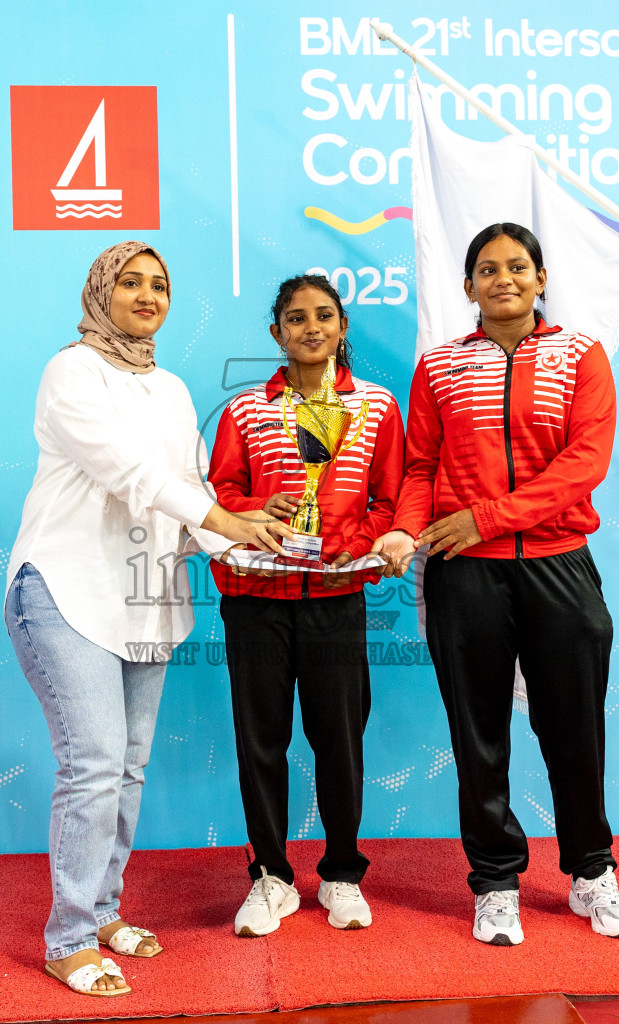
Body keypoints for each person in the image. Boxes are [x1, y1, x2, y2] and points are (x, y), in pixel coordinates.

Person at [5, 240, 292, 997]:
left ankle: (102, 911)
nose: (146, 294)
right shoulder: (72, 370)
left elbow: (192, 490)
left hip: (146, 600)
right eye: (129, 281)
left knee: (126, 768)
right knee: (94, 763)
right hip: (64, 588)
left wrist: (260, 536)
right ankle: (67, 938)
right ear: (100, 291)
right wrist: (223, 520)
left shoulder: (168, 387)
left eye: (159, 284)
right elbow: (128, 472)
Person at [372, 223, 619, 944]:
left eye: (517, 267)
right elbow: (421, 469)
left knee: (573, 731)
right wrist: (404, 527)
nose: (504, 279)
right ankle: (494, 883)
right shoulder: (437, 368)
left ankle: (592, 875)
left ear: (540, 277)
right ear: (467, 288)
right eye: (487, 270)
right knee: (479, 735)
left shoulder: (580, 355)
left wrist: (486, 517)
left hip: (559, 565)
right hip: (466, 578)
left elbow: (583, 464)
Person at [206, 274, 405, 936]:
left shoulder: (376, 407)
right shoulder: (243, 412)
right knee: (260, 741)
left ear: (342, 326)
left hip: (336, 597)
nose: (311, 327)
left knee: (338, 741)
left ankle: (342, 875)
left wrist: (348, 538)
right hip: (255, 597)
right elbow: (223, 492)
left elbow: (390, 497)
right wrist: (256, 511)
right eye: (296, 318)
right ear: (276, 334)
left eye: (324, 315)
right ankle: (270, 877)